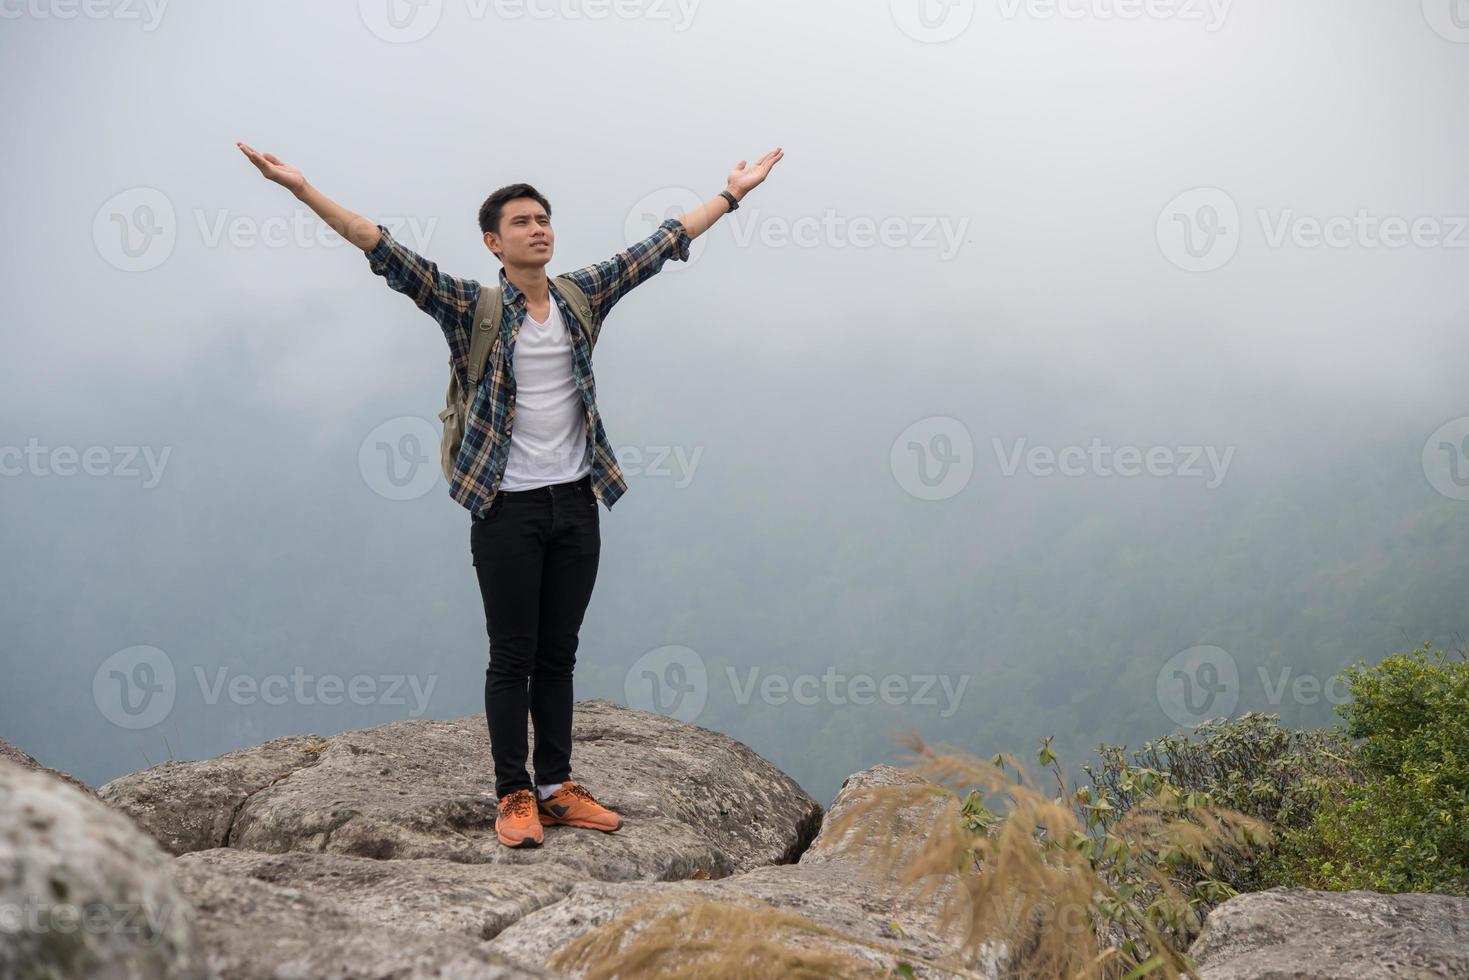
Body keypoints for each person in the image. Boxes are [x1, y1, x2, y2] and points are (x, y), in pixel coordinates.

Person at [236, 140, 784, 847]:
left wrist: (732, 192)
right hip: (506, 508)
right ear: (494, 241)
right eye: (522, 222)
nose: (539, 229)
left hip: (577, 503)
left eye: (544, 219)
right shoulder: (470, 308)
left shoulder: (581, 296)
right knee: (511, 656)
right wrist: (302, 189)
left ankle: (556, 787)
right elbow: (381, 249)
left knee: (560, 654)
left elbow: (660, 244)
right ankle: (514, 793)